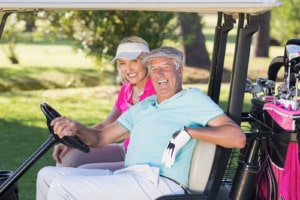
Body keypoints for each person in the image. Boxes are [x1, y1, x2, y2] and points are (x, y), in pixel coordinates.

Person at [37, 46, 246, 200]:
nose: (160, 74)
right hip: (131, 175)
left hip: (160, 182)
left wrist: (187, 132)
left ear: (180, 70)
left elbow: (237, 138)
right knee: (47, 175)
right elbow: (101, 138)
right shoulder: (146, 105)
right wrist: (77, 127)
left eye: (166, 67)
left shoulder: (191, 99)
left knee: (62, 187)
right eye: (154, 69)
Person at [52, 36, 156, 170]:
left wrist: (83, 134)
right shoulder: (127, 89)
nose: (128, 69)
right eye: (122, 63)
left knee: (84, 172)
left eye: (133, 61)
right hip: (125, 150)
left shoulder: (156, 91)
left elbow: (110, 135)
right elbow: (105, 125)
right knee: (68, 158)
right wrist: (75, 141)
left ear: (146, 61)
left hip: (142, 160)